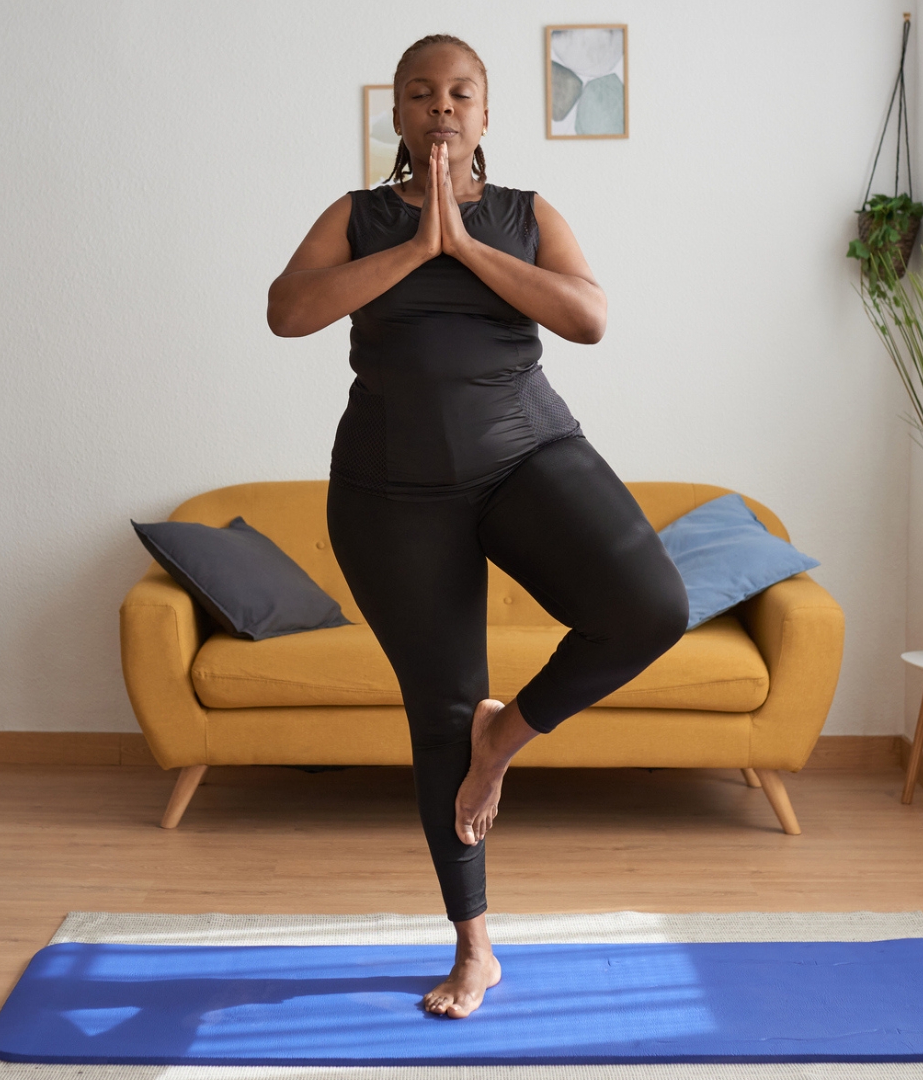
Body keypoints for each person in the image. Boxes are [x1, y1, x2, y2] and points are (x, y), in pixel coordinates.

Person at [266, 34, 689, 1019]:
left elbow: (588, 318)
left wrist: (467, 245)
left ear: (487, 115)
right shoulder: (358, 217)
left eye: (460, 92)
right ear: (400, 117)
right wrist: (416, 248)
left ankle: (509, 735)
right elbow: (287, 312)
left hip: (524, 457)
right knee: (440, 714)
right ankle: (475, 950)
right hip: (387, 493)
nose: (441, 107)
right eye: (421, 94)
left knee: (650, 605)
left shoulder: (528, 214)